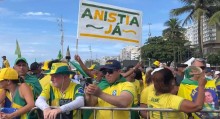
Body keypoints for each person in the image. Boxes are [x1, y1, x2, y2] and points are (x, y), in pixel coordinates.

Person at [140, 68, 206, 119]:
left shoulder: (150, 93)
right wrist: (201, 85)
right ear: (172, 82)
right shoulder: (172, 100)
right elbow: (198, 106)